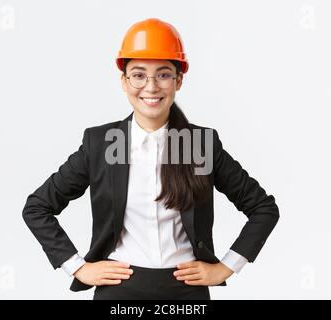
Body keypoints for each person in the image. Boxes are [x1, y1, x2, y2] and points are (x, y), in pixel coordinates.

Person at [22, 18, 280, 300]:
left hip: (185, 292)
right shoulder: (105, 143)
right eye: (139, 74)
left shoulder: (198, 145)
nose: (151, 86)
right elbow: (38, 207)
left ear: (179, 80)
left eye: (164, 74)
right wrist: (77, 267)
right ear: (124, 80)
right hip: (119, 291)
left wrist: (226, 267)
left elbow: (263, 208)